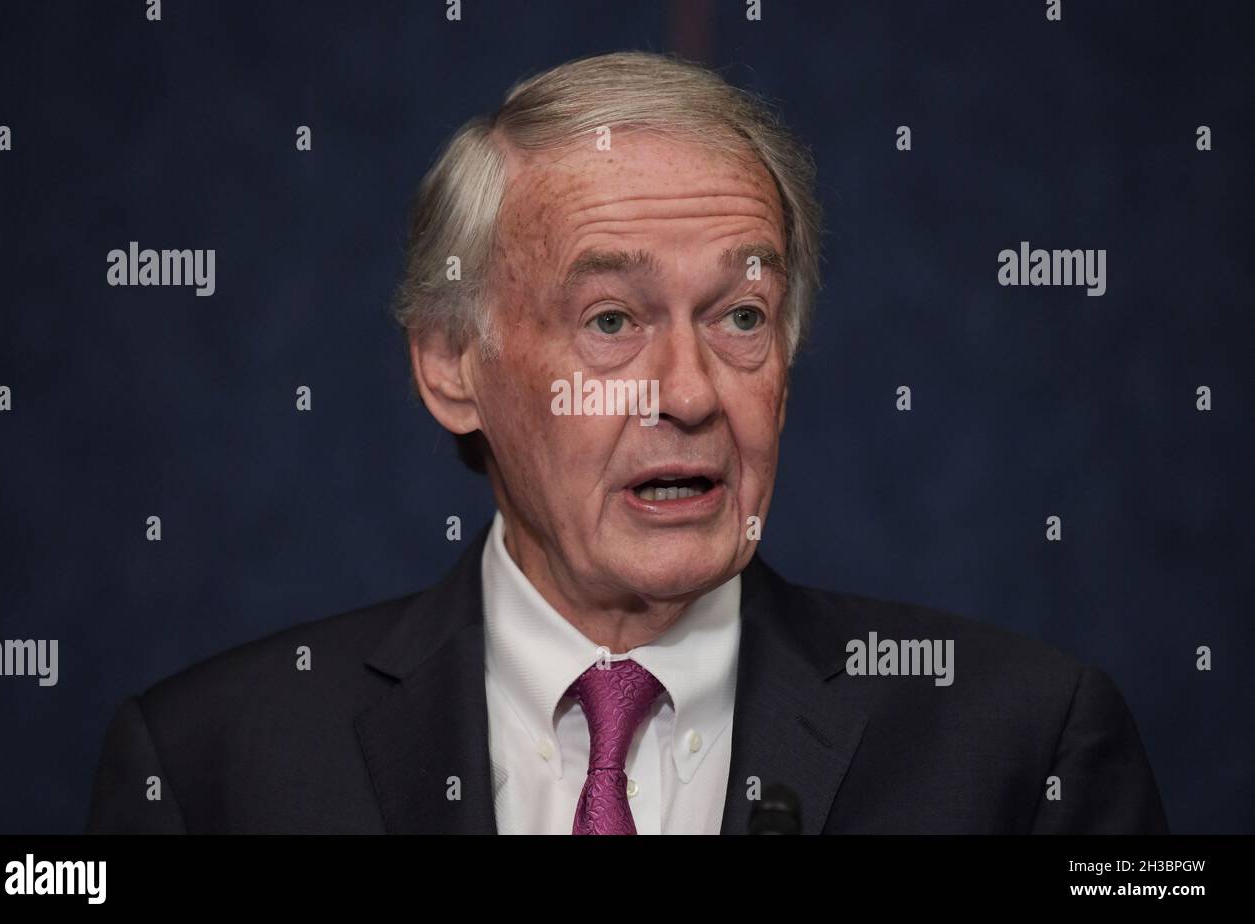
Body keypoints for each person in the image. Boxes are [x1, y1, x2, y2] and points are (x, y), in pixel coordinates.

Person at [87, 51, 1167, 834]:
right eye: (611, 321)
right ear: (451, 366)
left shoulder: (1023, 752)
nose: (690, 392)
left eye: (740, 318)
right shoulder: (211, 767)